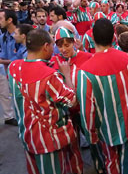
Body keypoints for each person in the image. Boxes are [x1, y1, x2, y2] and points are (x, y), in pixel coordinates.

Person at [8, 29, 83, 174]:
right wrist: (67, 75)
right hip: (49, 140)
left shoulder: (13, 67)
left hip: (27, 135)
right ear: (46, 47)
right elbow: (72, 101)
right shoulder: (49, 75)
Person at [77, 18, 128, 174]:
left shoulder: (85, 71)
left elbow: (87, 109)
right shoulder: (127, 59)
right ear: (113, 37)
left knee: (111, 162)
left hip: (105, 128)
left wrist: (91, 134)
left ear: (92, 38)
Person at [0, 9, 19, 126]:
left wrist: (2, 61)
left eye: (1, 18)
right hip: (8, 73)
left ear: (10, 20)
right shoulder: (3, 37)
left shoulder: (20, 35)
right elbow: (4, 55)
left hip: (21, 75)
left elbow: (22, 59)